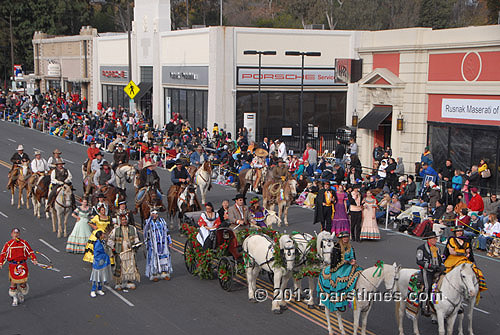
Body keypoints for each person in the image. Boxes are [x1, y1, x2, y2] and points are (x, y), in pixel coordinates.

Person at [317, 231, 362, 312]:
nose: (345, 239)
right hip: (339, 267)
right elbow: (334, 260)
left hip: (349, 266)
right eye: (344, 237)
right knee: (340, 279)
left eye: (347, 237)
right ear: (341, 238)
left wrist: (353, 260)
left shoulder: (350, 247)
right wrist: (345, 261)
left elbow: (352, 256)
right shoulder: (336, 247)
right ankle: (338, 300)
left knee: (359, 274)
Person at [0, 228, 38, 306]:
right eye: (14, 233)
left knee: (22, 283)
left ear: (19, 234)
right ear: (11, 234)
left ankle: (21, 293)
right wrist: (0, 263)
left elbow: (30, 251)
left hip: (22, 265)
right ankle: (15, 298)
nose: (15, 235)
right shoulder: (8, 244)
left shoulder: (24, 243)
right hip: (13, 266)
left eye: (17, 233)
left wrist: (34, 259)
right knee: (13, 284)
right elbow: (3, 254)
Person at [443, 227, 487, 292]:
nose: (459, 233)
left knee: (475, 271)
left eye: (460, 231)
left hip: (464, 259)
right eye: (457, 231)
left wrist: (468, 253)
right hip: (453, 259)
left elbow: (468, 251)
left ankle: (475, 288)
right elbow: (452, 252)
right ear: (455, 233)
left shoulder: (466, 240)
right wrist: (463, 253)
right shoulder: (452, 239)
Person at [108, 215, 141, 290]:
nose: (124, 221)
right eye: (122, 220)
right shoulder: (115, 230)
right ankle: (119, 282)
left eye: (125, 220)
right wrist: (113, 248)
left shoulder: (133, 229)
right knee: (119, 266)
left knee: (130, 265)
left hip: (130, 251)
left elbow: (136, 238)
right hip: (120, 251)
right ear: (120, 221)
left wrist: (136, 244)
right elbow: (110, 240)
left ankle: (130, 281)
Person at [416, 231, 445, 316]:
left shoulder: (438, 249)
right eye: (433, 238)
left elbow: (440, 260)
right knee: (427, 287)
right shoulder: (421, 248)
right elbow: (419, 261)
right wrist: (430, 266)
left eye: (435, 238)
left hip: (437, 270)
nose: (435, 240)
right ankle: (424, 306)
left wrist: (442, 266)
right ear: (429, 239)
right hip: (427, 270)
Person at [144, 208, 173, 281]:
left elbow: (167, 231)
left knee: (164, 257)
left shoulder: (162, 221)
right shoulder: (148, 222)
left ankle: (165, 272)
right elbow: (145, 231)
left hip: (163, 243)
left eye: (156, 214)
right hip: (154, 244)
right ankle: (154, 274)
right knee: (154, 258)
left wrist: (170, 241)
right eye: (153, 214)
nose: (155, 215)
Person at [89, 230, 111, 298]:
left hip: (103, 261)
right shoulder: (97, 243)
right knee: (96, 277)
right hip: (98, 262)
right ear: (100, 235)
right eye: (103, 234)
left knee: (102, 276)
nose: (104, 235)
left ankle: (99, 289)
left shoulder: (103, 242)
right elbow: (96, 254)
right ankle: (93, 290)